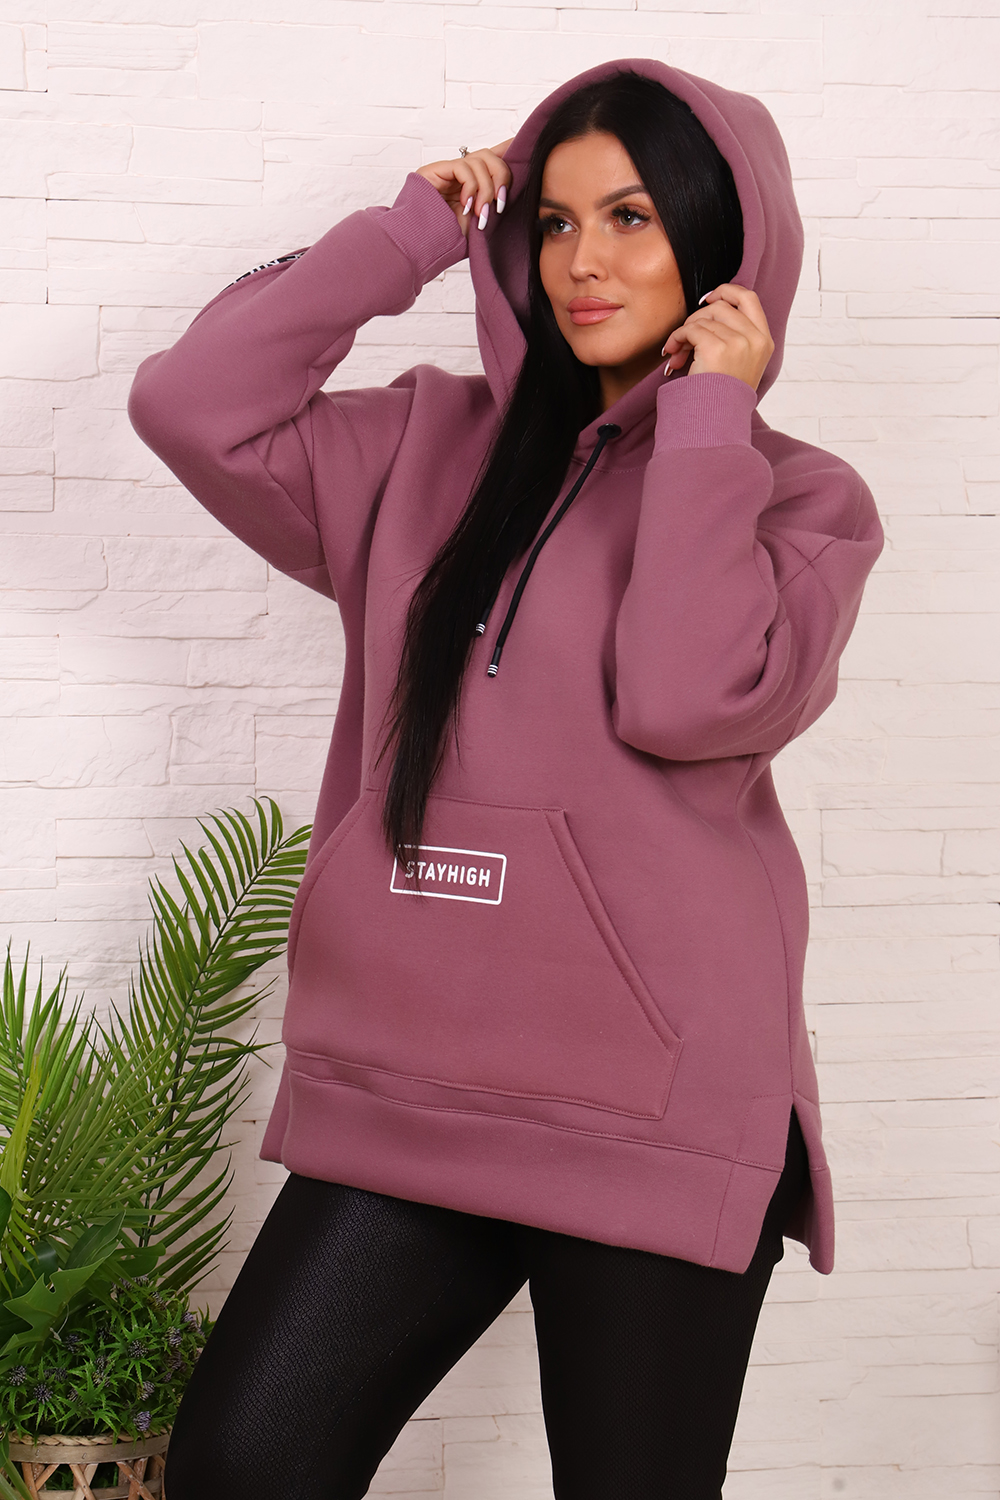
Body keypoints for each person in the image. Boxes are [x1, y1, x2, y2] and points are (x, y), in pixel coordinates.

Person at [129, 57, 882, 1500]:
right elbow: (191, 403)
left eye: (632, 218)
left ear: (724, 244)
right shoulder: (418, 445)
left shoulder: (801, 500)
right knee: (242, 1462)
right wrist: (405, 234)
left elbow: (686, 697)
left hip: (656, 1107)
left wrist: (708, 424)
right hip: (411, 1080)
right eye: (554, 221)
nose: (583, 261)